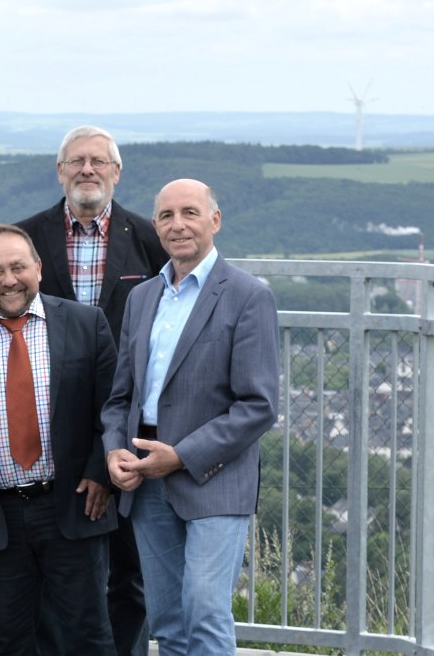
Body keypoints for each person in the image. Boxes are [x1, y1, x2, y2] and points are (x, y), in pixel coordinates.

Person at [0, 223, 120, 655]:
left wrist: (101, 473)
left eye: (17, 267)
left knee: (86, 633)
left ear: (39, 269)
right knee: (8, 638)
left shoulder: (86, 324)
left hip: (73, 503)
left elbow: (113, 408)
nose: (8, 280)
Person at [102, 179, 279, 656]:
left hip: (212, 477)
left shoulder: (247, 296)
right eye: (166, 216)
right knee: (168, 620)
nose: (177, 225)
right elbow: (121, 397)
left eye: (190, 213)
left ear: (214, 221)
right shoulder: (142, 299)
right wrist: (114, 449)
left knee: (204, 611)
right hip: (145, 476)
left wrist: (180, 456)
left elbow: (258, 405)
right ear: (155, 226)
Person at [15, 125, 166, 656]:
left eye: (98, 161)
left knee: (130, 568)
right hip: (46, 427)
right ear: (60, 172)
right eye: (75, 161)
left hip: (130, 425)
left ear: (116, 172)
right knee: (56, 566)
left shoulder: (147, 238)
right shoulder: (27, 238)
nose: (87, 170)